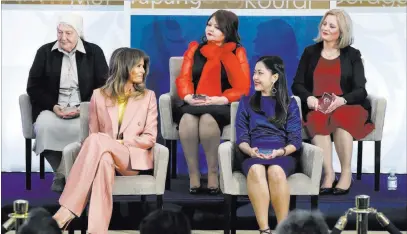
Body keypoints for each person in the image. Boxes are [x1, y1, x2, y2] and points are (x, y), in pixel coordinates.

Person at [52, 48, 158, 234]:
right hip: (104, 155)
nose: (143, 71)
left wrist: (121, 143)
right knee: (103, 160)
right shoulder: (98, 96)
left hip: (130, 159)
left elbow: (150, 138)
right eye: (138, 66)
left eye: (143, 66)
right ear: (124, 67)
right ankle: (96, 231)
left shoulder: (148, 97)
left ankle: (67, 210)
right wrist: (108, 146)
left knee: (97, 140)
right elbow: (92, 136)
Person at [292, 9, 375, 195]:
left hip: (346, 104)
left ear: (342, 31)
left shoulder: (352, 55)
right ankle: (328, 174)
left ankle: (346, 174)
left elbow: (361, 90)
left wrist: (341, 100)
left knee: (340, 116)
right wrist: (310, 99)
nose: (325, 28)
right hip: (318, 105)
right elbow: (297, 84)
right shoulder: (310, 52)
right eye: (324, 24)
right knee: (317, 119)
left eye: (331, 26)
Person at [26, 13, 108, 192]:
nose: (63, 38)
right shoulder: (44, 52)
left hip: (84, 108)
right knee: (44, 127)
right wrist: (53, 106)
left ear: (78, 32)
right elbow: (33, 86)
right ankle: (63, 174)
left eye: (68, 33)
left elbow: (103, 87)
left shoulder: (94, 52)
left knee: (84, 130)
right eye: (59, 32)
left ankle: (64, 176)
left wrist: (82, 109)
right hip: (53, 107)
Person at [174, 9, 250, 195]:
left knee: (208, 120)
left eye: (217, 27)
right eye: (209, 25)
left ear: (228, 30)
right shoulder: (194, 50)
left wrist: (221, 99)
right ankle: (193, 175)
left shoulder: (237, 52)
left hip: (221, 104)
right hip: (194, 102)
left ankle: (213, 173)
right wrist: (188, 97)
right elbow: (184, 78)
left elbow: (243, 86)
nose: (211, 29)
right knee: (187, 120)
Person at [235, 56, 302, 234]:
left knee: (275, 171)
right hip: (253, 154)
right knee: (256, 169)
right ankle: (264, 230)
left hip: (282, 154)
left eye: (260, 73)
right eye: (254, 73)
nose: (255, 77)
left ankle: (282, 229)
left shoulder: (290, 103)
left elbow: (295, 140)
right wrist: (250, 150)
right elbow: (241, 137)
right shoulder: (246, 102)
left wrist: (280, 152)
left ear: (274, 77)